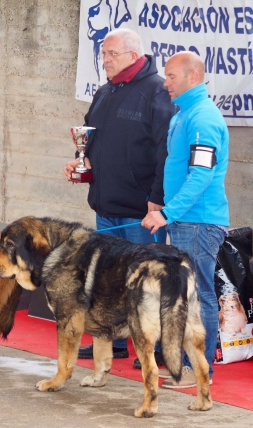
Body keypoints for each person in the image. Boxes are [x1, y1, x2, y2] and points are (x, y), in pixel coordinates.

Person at [64, 28, 174, 367]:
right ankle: (111, 343)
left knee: (146, 281)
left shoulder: (157, 92)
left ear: (132, 54)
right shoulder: (103, 92)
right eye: (103, 54)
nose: (105, 59)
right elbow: (93, 143)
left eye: (111, 53)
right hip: (105, 207)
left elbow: (166, 153)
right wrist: (83, 165)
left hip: (140, 212)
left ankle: (152, 348)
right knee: (110, 282)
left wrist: (157, 200)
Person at [142, 51, 230, 388]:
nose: (165, 83)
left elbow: (201, 176)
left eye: (171, 76)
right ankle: (186, 365)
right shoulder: (185, 114)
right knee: (185, 295)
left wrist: (167, 212)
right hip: (184, 221)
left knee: (199, 295)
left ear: (192, 77)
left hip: (198, 222)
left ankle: (199, 370)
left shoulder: (203, 118)